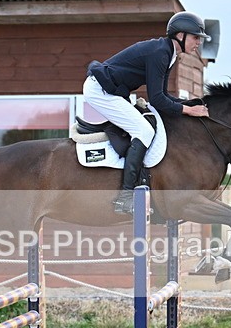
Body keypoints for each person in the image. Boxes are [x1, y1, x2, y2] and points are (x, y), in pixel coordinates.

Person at [83, 11, 211, 214]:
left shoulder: (169, 53)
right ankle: (125, 198)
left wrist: (191, 105)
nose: (198, 43)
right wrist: (188, 110)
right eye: (196, 37)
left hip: (111, 91)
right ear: (180, 35)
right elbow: (158, 100)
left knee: (145, 126)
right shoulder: (160, 53)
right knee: (144, 131)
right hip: (100, 91)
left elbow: (163, 95)